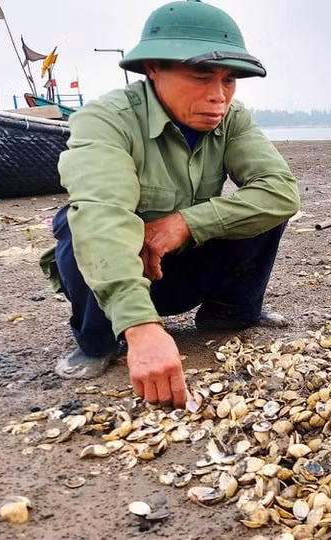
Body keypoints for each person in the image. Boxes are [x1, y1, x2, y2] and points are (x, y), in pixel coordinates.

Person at [39, 0, 299, 408]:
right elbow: (101, 215)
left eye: (229, 80)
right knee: (78, 224)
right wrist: (141, 327)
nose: (219, 96)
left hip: (182, 264)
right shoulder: (106, 119)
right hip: (119, 277)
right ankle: (99, 341)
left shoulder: (232, 118)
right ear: (153, 69)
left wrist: (185, 223)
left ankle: (229, 313)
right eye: (201, 77)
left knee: (264, 211)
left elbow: (280, 191)